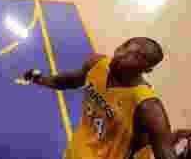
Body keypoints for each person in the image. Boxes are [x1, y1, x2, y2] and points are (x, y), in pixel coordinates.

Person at [22, 37, 177, 159]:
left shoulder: (148, 107)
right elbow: (68, 81)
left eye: (136, 56)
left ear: (147, 69)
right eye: (125, 46)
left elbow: (165, 152)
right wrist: (39, 79)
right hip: (76, 150)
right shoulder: (97, 64)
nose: (122, 54)